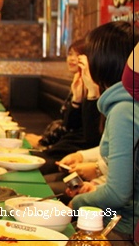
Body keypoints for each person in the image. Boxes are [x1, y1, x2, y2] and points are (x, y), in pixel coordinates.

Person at [61, 21, 139, 243]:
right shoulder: (124, 103)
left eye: (88, 58)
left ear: (103, 62)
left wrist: (77, 204)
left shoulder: (124, 110)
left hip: (123, 226)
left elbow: (118, 194)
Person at [26, 39, 102, 175]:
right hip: (64, 149)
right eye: (70, 54)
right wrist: (76, 100)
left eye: (78, 55)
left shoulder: (96, 90)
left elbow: (89, 135)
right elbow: (69, 123)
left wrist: (43, 142)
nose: (72, 59)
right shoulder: (78, 85)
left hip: (70, 152)